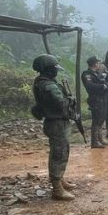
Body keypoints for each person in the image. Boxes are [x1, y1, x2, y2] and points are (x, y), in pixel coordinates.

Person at [31, 54, 77, 200]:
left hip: (57, 122)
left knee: (63, 151)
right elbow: (61, 103)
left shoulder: (44, 83)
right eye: (54, 69)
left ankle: (60, 179)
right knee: (58, 154)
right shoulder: (48, 85)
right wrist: (70, 100)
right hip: (56, 122)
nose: (56, 72)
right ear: (48, 69)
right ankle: (57, 188)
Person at [80, 55, 108, 148]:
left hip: (102, 98)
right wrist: (101, 86)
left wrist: (104, 85)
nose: (99, 64)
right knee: (96, 120)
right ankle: (94, 141)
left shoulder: (96, 73)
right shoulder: (86, 74)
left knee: (101, 119)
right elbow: (89, 85)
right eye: (98, 63)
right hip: (95, 99)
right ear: (95, 64)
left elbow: (104, 83)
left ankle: (100, 139)